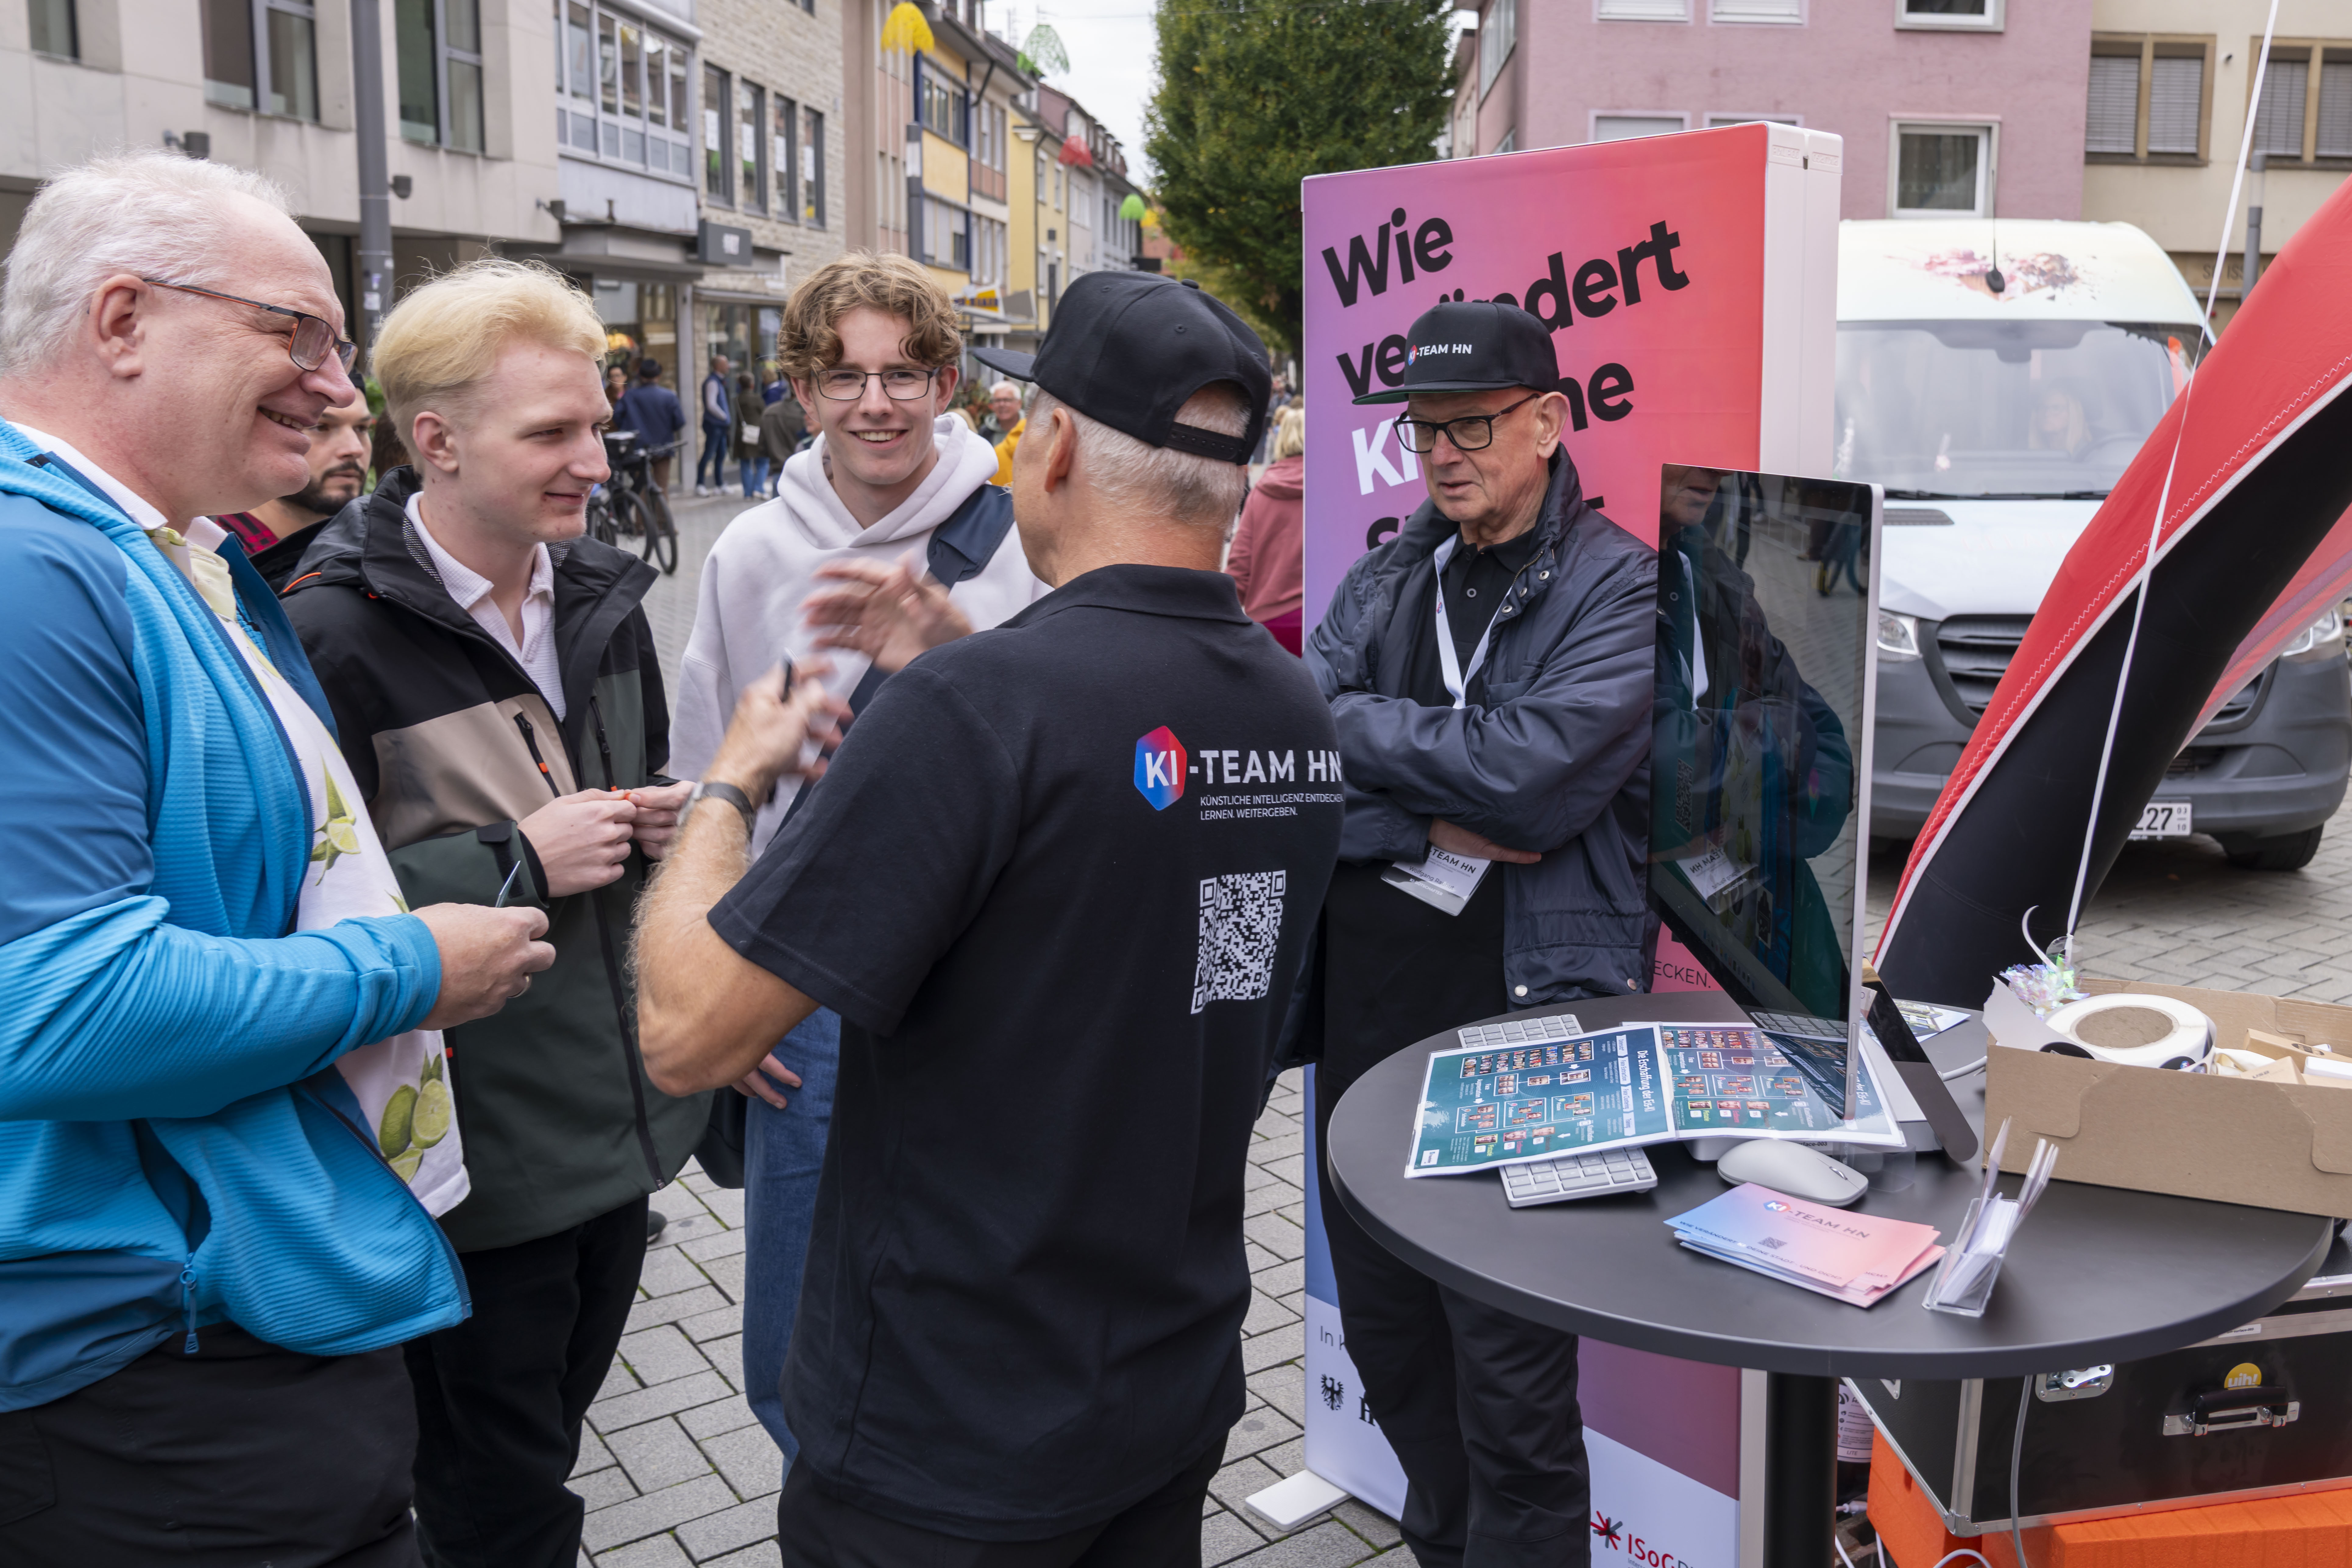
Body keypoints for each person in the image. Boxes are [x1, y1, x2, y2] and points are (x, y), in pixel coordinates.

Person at [635, 270, 1342, 1564]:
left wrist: (728, 781)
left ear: (1052, 442)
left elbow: (686, 1029)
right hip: (1163, 1386)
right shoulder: (1288, 710)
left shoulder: (976, 709)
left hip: (943, 1432)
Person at [0, 149, 551, 1563]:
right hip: (146, 1362)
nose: (335, 381)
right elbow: (51, 1003)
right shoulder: (33, 567)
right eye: (292, 330)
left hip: (214, 1315)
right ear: (122, 319)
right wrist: (408, 962)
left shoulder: (141, 549)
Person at [279, 258, 708, 1568]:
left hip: (620, 1144)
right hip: (469, 1174)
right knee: (501, 1503)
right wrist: (513, 855)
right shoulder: (322, 634)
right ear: (436, 439)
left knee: (540, 1456)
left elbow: (616, 862)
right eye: (555, 432)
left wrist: (663, 829)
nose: (598, 453)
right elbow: (284, 914)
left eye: (597, 417)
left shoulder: (597, 595)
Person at [668, 250, 1048, 1465]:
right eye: (844, 377)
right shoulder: (746, 556)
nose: (875, 402)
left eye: (902, 374)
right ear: (801, 388)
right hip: (812, 984)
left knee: (985, 1278)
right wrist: (733, 1002)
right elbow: (704, 785)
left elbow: (1071, 775)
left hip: (992, 970)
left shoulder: (1017, 547)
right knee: (790, 1324)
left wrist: (952, 662)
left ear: (947, 383)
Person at [1308, 299, 1657, 1568]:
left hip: (1527, 1027)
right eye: (1423, 431)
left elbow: (1537, 779)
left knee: (1511, 1385)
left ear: (1549, 423)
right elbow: (1297, 740)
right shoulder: (1397, 568)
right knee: (1392, 1341)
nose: (1443, 453)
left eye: (1470, 426)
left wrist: (1373, 738)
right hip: (1369, 1022)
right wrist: (1422, 829)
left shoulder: (1623, 582)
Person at [216, 384, 371, 558]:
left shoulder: (376, 552)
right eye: (321, 427)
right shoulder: (212, 559)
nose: (355, 449)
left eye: (362, 429)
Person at [1226, 401, 1305, 653]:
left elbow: (1239, 566)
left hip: (1268, 625)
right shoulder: (1329, 489)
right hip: (1322, 619)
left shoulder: (1261, 492)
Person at [615, 356, 686, 494]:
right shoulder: (669, 396)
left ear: (640, 375)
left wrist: (629, 429)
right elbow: (680, 422)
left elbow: (617, 415)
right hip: (664, 447)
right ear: (659, 375)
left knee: (640, 488)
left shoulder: (630, 396)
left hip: (637, 448)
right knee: (662, 487)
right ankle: (662, 516)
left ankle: (642, 516)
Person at [757, 374, 806, 481]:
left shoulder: (769, 413)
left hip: (779, 471)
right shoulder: (805, 416)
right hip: (799, 472)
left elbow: (762, 447)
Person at [698, 352, 733, 495]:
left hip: (720, 425)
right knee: (709, 454)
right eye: (725, 364)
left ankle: (719, 484)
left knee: (721, 455)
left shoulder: (719, 381)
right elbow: (711, 405)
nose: (728, 367)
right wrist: (724, 417)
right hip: (714, 425)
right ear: (718, 366)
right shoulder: (712, 382)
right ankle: (700, 484)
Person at [735, 370, 768, 497]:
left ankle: (748, 494)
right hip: (757, 434)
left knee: (745, 464)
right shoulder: (757, 399)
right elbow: (764, 414)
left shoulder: (737, 399)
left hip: (743, 435)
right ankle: (759, 488)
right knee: (762, 462)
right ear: (752, 385)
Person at [990, 378, 1026, 483]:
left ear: (1019, 403)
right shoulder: (986, 432)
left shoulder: (1030, 430)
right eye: (997, 401)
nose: (1002, 405)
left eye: (1007, 400)